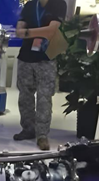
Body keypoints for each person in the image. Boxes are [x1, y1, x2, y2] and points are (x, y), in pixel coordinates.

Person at [14, 0, 67, 151]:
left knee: (44, 98)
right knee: (25, 96)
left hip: (46, 59)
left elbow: (51, 31)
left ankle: (42, 135)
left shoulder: (59, 4)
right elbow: (19, 30)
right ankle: (28, 129)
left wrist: (28, 32)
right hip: (25, 57)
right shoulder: (30, 5)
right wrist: (35, 32)